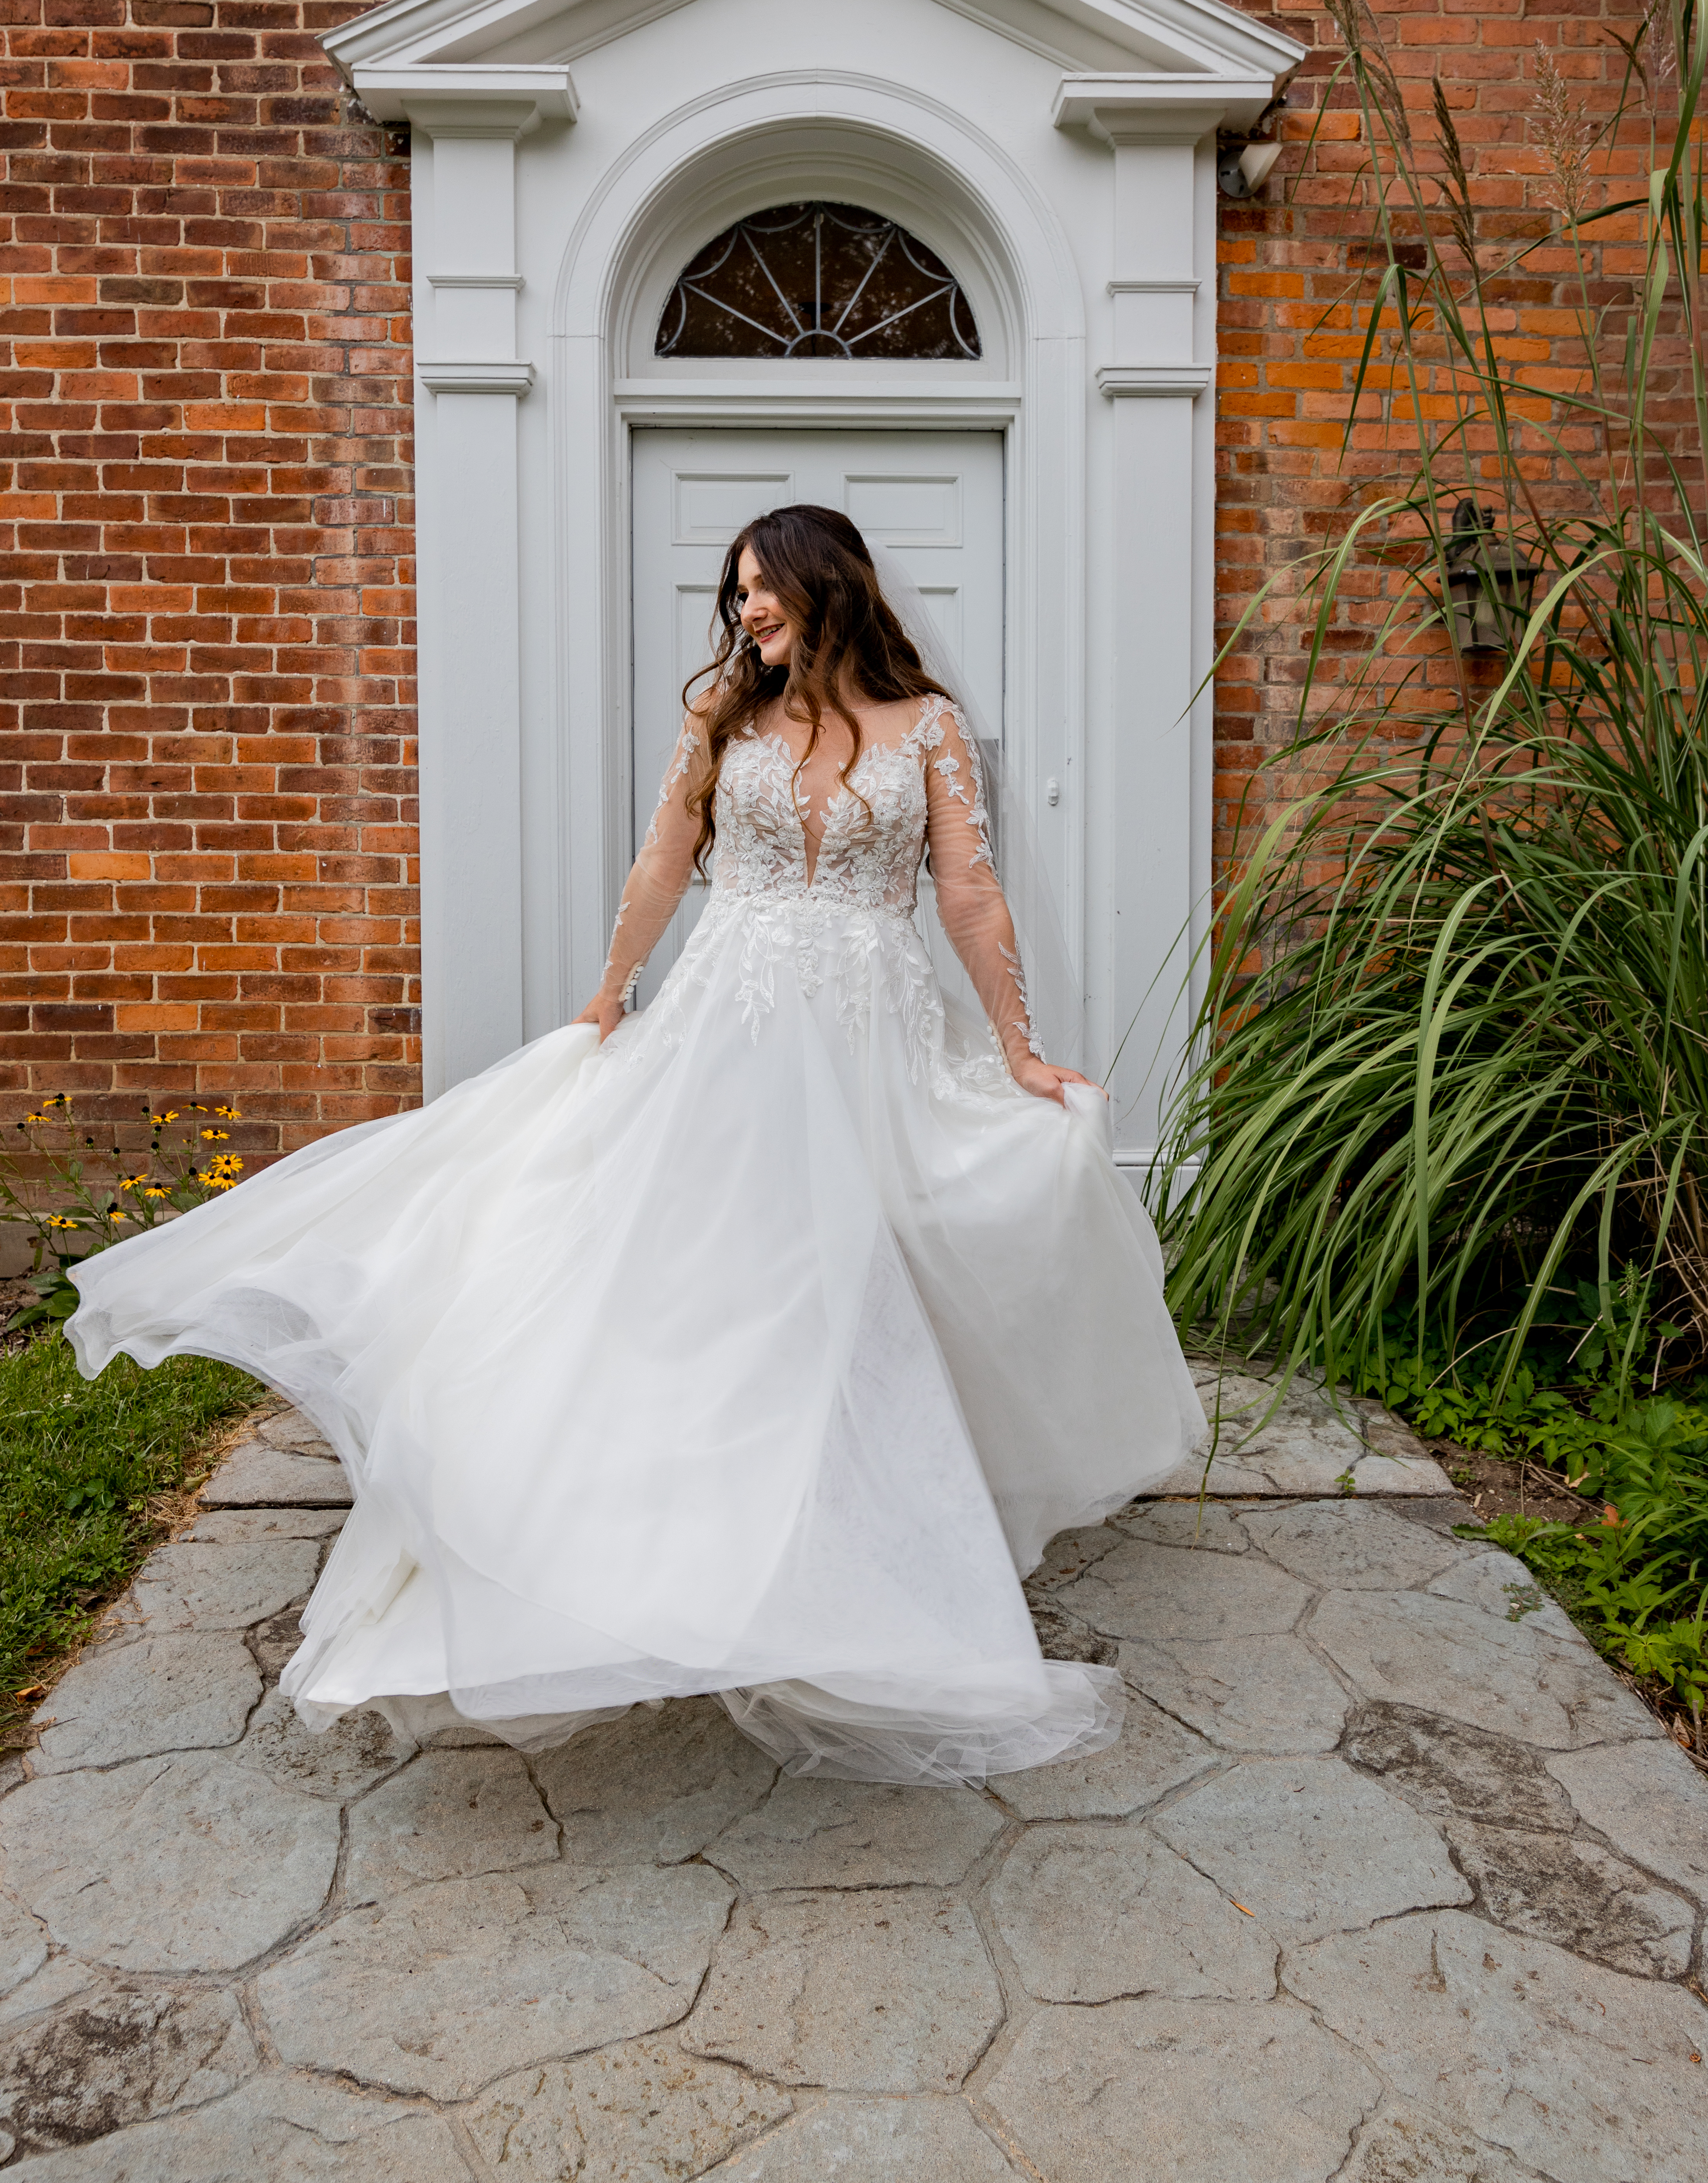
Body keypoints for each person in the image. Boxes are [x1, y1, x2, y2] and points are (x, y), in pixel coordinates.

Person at [67, 506, 1206, 1783]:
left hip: (875, 1030)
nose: (746, 613)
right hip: (736, 1018)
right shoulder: (726, 717)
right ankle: (682, 1536)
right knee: (719, 1268)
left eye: (763, 591)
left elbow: (966, 890)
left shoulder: (927, 725)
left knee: (881, 1254)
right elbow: (667, 858)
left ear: (827, 588)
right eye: (739, 597)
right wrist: (610, 991)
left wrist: (1015, 1049)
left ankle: (860, 1521)